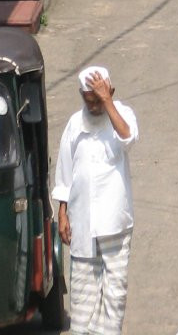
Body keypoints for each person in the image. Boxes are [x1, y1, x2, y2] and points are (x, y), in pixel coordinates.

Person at [52, 66, 139, 335]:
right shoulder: (74, 125)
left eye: (97, 101)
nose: (94, 107)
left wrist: (107, 101)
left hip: (114, 223)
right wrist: (63, 213)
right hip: (82, 224)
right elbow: (66, 174)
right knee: (83, 294)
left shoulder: (121, 114)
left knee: (114, 294)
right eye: (89, 101)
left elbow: (129, 137)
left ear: (109, 92)